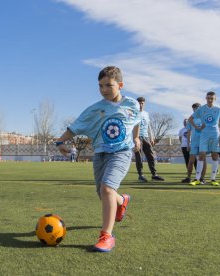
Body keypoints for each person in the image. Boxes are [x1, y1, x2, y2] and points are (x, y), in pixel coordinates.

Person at [55, 66, 141, 252]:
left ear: (120, 85)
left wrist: (136, 137)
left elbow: (137, 121)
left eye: (108, 85)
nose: (104, 90)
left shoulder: (132, 104)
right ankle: (122, 200)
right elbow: (76, 126)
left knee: (107, 188)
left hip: (122, 153)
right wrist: (60, 141)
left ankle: (107, 236)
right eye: (100, 86)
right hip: (100, 153)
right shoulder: (95, 109)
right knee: (103, 194)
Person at [189, 91, 220, 186]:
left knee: (215, 156)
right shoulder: (201, 109)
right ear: (206, 98)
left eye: (211, 98)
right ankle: (197, 179)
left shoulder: (218, 109)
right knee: (201, 155)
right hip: (204, 135)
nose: (209, 100)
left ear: (215, 99)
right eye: (208, 98)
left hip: (215, 135)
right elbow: (190, 119)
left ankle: (213, 179)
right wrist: (197, 127)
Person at [134, 97, 164, 182]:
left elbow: (149, 126)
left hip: (146, 137)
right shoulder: (133, 113)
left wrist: (152, 137)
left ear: (144, 104)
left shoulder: (146, 114)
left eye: (142, 103)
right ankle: (141, 175)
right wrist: (134, 138)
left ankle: (154, 174)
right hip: (137, 136)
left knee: (150, 156)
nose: (140, 105)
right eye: (139, 103)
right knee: (139, 157)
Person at [181, 103, 206, 184]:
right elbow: (189, 133)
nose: (195, 109)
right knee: (191, 161)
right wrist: (188, 144)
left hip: (203, 142)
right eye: (194, 108)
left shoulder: (204, 118)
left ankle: (202, 178)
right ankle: (188, 177)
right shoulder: (190, 119)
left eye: (197, 108)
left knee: (203, 160)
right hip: (194, 143)